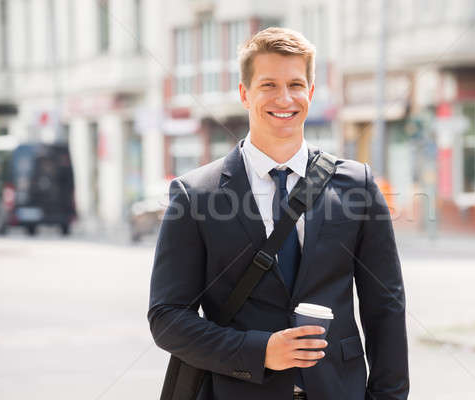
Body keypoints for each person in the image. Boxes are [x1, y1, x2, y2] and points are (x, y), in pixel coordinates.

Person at [148, 27, 409, 400]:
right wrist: (259, 351)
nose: (284, 98)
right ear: (245, 93)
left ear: (311, 92)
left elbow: (385, 305)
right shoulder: (195, 195)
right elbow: (167, 318)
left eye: (296, 85)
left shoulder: (358, 185)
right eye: (268, 85)